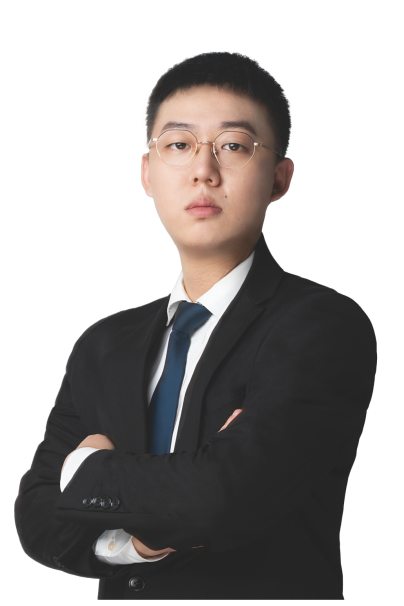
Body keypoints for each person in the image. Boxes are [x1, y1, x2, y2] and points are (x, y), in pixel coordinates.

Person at [15, 50, 377, 600]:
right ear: (146, 172)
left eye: (233, 145)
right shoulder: (103, 346)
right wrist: (134, 544)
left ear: (280, 178)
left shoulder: (322, 327)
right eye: (179, 145)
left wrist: (84, 469)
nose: (203, 170)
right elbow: (38, 521)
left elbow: (224, 498)